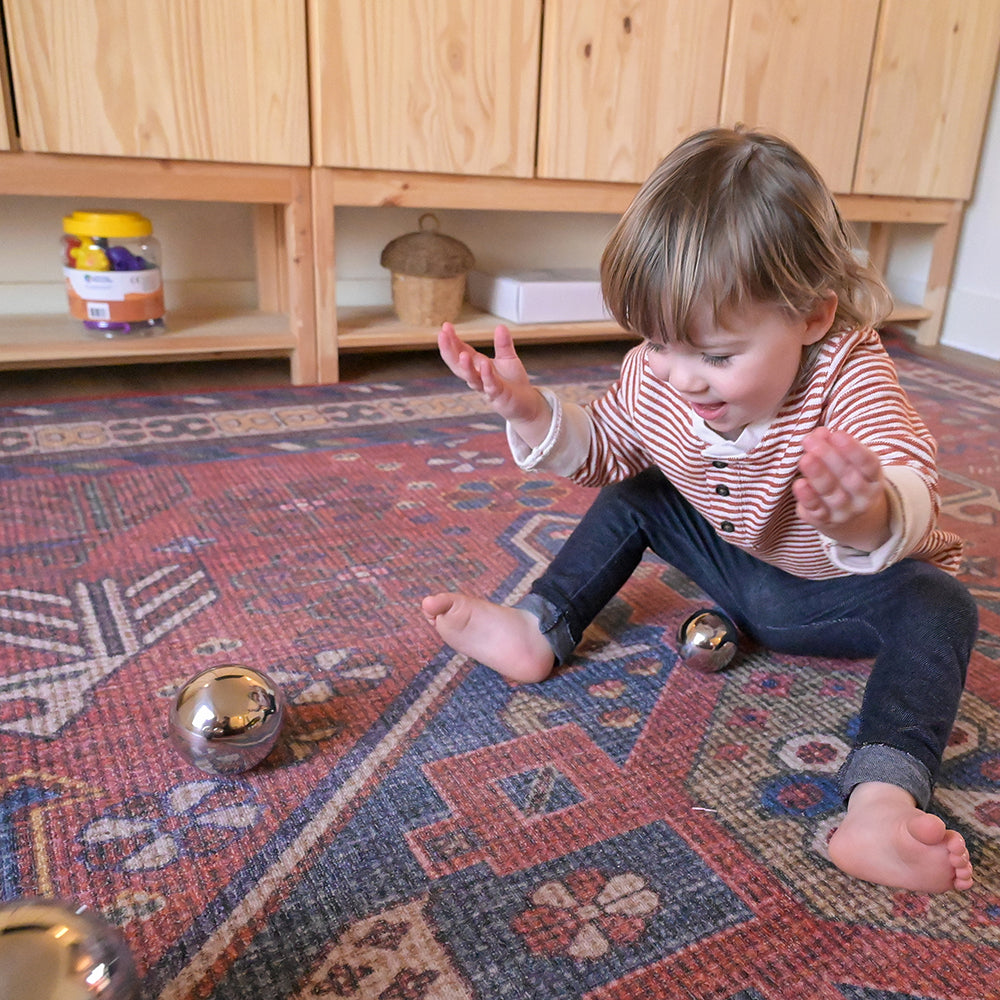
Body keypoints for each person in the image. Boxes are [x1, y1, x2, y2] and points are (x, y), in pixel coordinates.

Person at [421, 126, 978, 894]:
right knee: (639, 491)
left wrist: (867, 514)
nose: (683, 377)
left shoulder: (850, 374)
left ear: (813, 316)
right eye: (658, 343)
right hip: (737, 562)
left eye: (717, 356)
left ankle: (879, 802)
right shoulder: (661, 373)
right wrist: (528, 411)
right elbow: (605, 448)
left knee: (942, 602)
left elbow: (910, 475)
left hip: (839, 593)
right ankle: (539, 626)